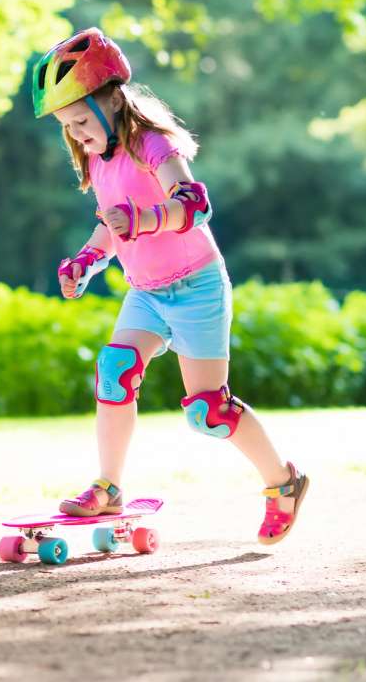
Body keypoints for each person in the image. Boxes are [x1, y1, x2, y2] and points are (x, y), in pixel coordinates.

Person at [32, 27, 309, 545]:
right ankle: (109, 487)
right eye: (65, 126)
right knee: (115, 370)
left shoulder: (150, 144)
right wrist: (87, 262)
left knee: (209, 412)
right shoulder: (99, 158)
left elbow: (195, 205)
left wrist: (143, 219)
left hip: (198, 287)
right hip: (147, 293)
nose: (74, 133)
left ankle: (283, 483)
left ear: (112, 98)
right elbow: (109, 226)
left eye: (79, 119)